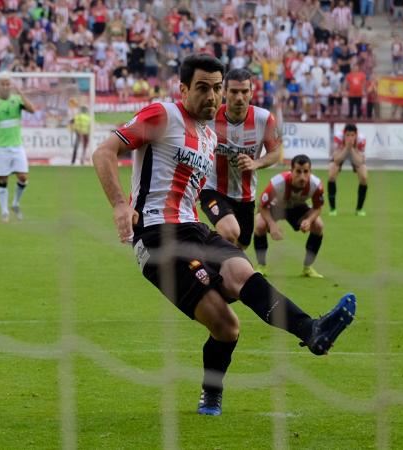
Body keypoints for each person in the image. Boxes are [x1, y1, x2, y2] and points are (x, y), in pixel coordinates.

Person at [92, 54, 356, 417]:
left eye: (217, 88)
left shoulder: (207, 136)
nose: (212, 96)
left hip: (194, 228)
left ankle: (312, 330)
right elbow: (104, 151)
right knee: (227, 326)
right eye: (203, 88)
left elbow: (189, 191)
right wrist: (121, 205)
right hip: (156, 237)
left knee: (240, 281)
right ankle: (212, 393)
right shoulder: (162, 114)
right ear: (183, 89)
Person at [199, 68, 282, 250]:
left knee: (241, 245)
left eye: (244, 92)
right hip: (213, 189)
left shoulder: (263, 118)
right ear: (224, 92)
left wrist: (256, 163)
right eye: (234, 92)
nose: (239, 97)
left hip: (245, 195)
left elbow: (276, 152)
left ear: (251, 93)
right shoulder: (209, 117)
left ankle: (218, 267)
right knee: (230, 232)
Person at [253, 154, 325, 278]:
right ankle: (261, 266)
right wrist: (272, 225)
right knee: (260, 224)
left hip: (297, 208)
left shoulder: (316, 185)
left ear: (310, 172)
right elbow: (262, 206)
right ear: (291, 171)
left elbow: (318, 208)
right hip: (276, 207)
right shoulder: (277, 183)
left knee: (318, 225)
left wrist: (309, 220)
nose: (302, 176)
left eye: (306, 172)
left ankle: (307, 268)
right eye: (298, 171)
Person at [0, 74, 36, 223]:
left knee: (23, 177)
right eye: (2, 84)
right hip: (1, 148)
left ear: (10, 85)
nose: (5, 86)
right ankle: (4, 211)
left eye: (7, 84)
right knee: (3, 179)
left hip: (17, 146)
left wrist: (22, 94)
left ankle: (15, 203)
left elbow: (32, 110)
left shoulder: (17, 100)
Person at [327, 123, 368, 217]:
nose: (350, 138)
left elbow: (359, 162)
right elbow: (336, 160)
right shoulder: (338, 137)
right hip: (342, 152)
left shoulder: (361, 139)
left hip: (355, 153)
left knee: (364, 177)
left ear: (356, 135)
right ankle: (333, 209)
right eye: (348, 135)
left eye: (352, 135)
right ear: (344, 134)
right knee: (331, 175)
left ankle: (359, 209)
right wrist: (347, 147)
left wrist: (351, 149)